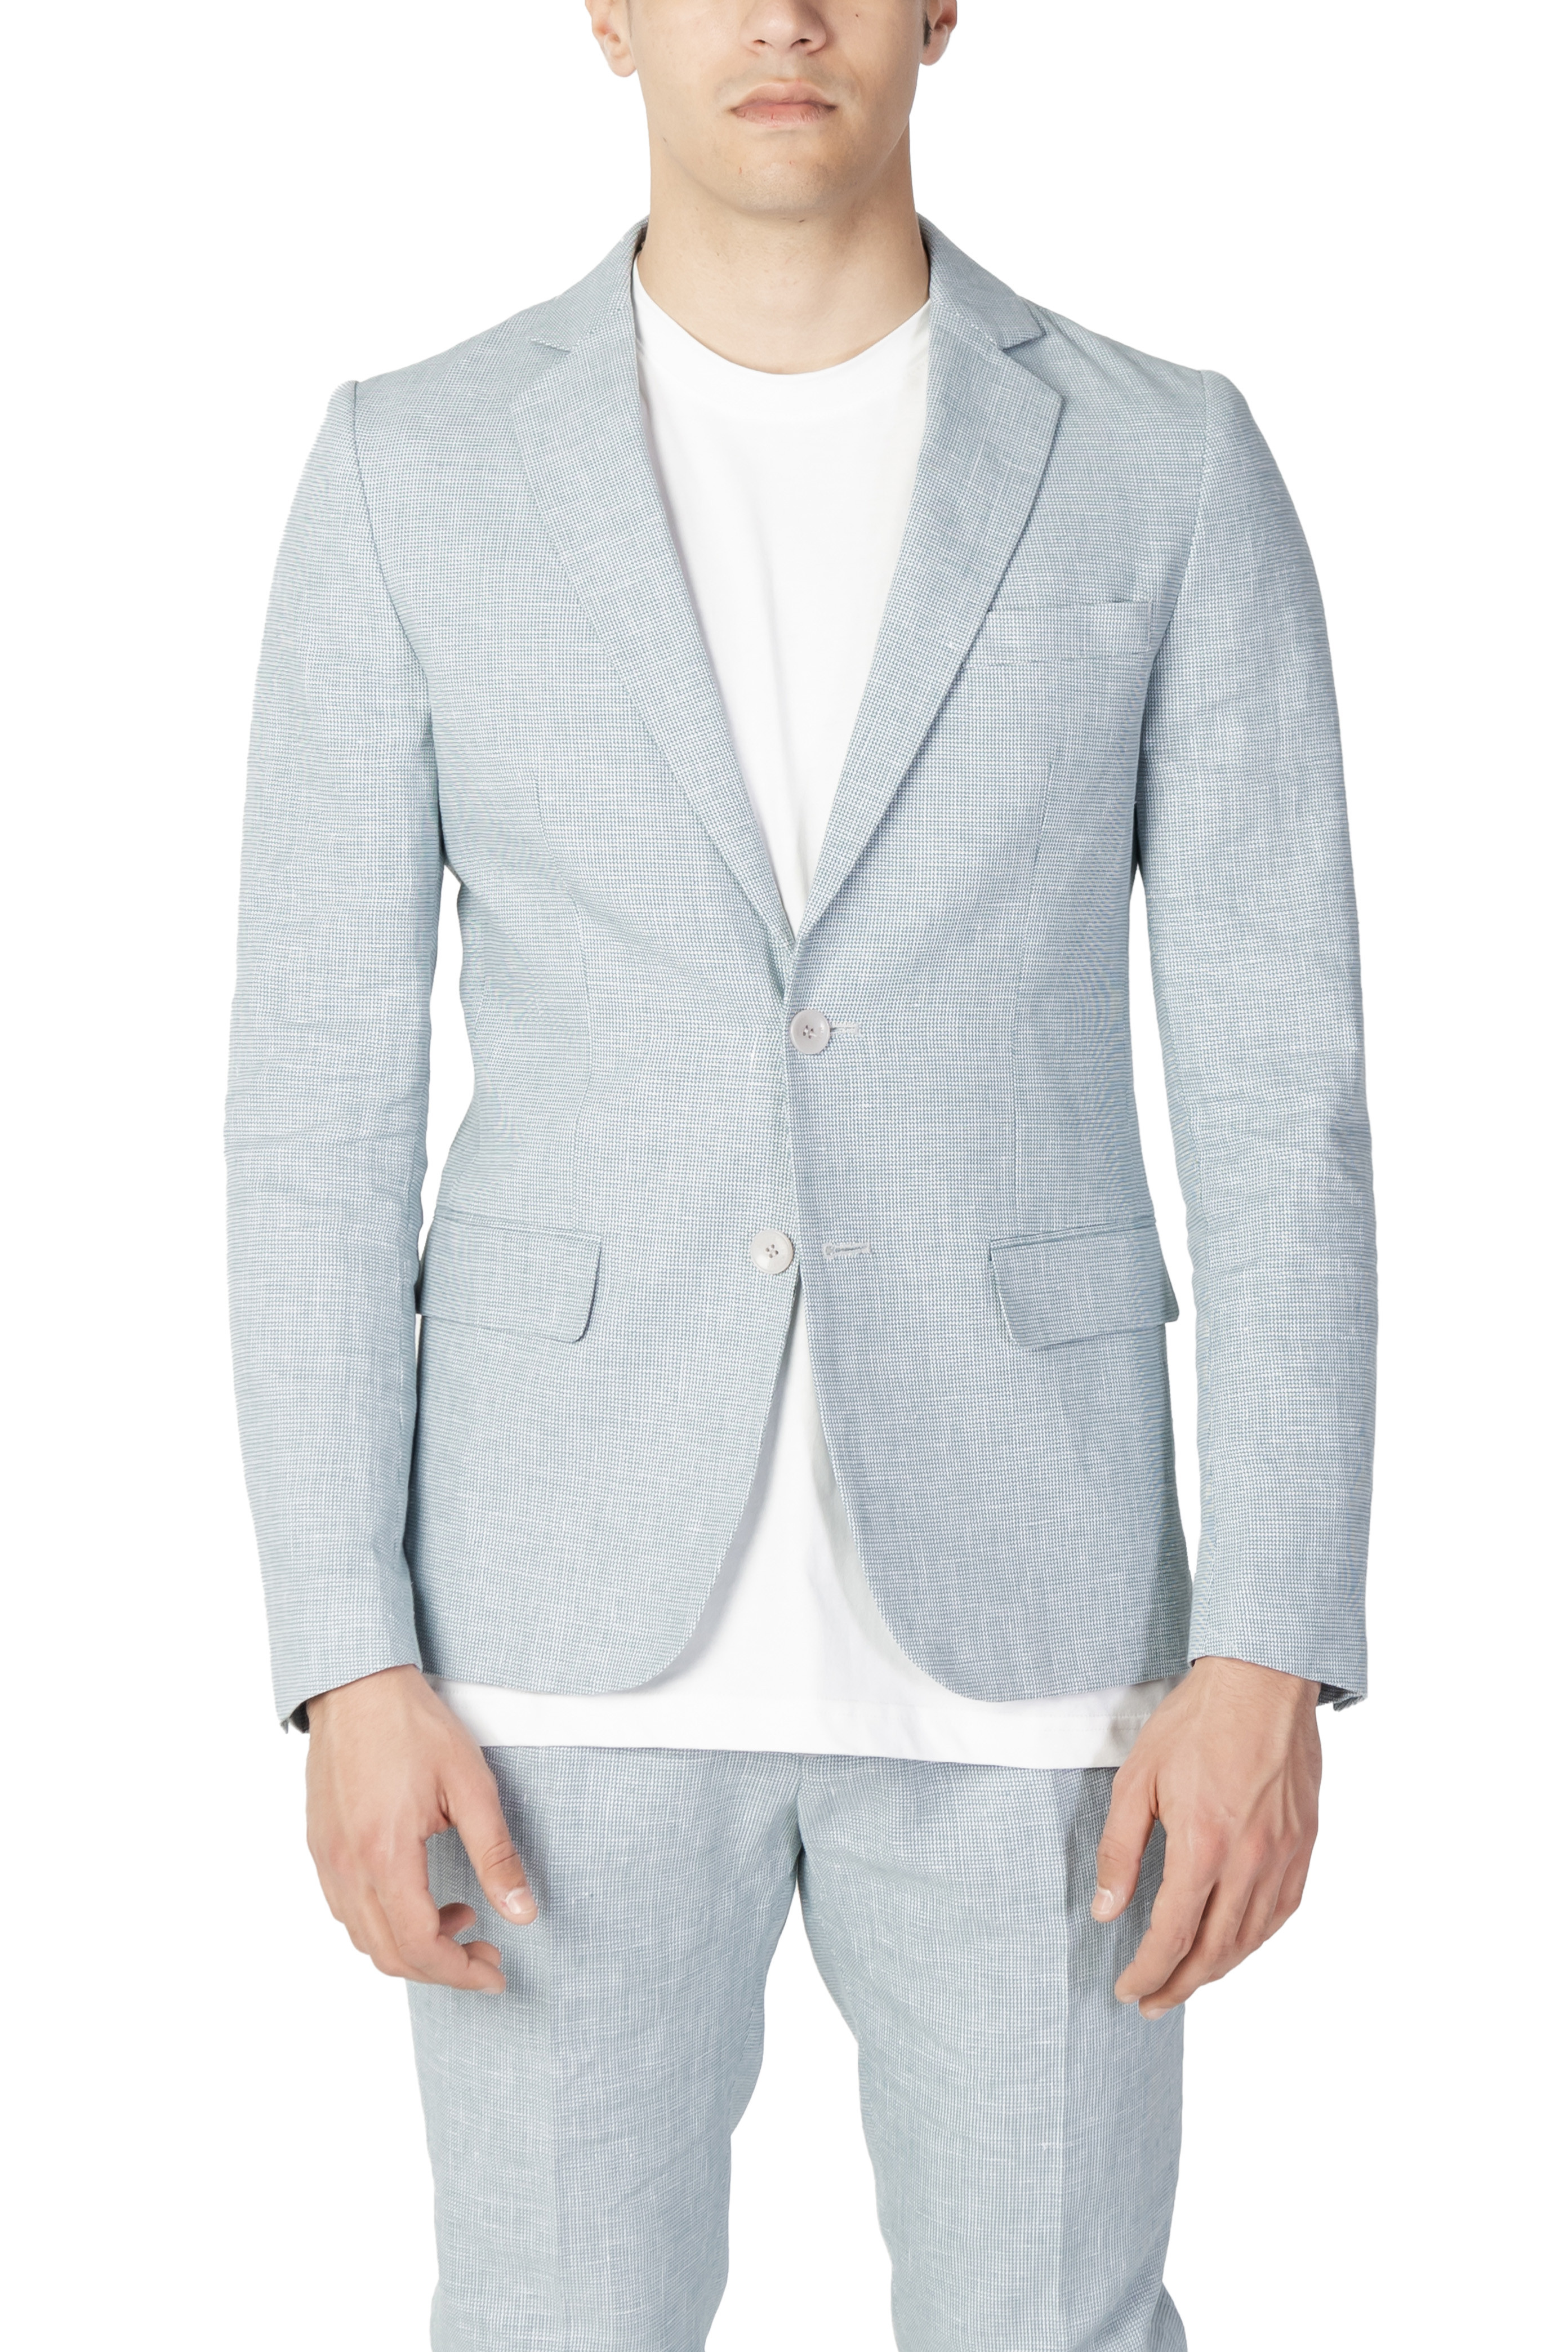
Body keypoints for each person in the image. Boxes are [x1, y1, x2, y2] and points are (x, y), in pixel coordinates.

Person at [226, 4, 1376, 2346]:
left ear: (947, 5)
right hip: (544, 1657)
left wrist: (1270, 1641)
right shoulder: (407, 468)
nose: (781, 15)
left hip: (1049, 1651)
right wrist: (345, 1659)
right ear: (605, 12)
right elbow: (313, 1110)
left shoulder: (1164, 461)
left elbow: (1286, 1098)